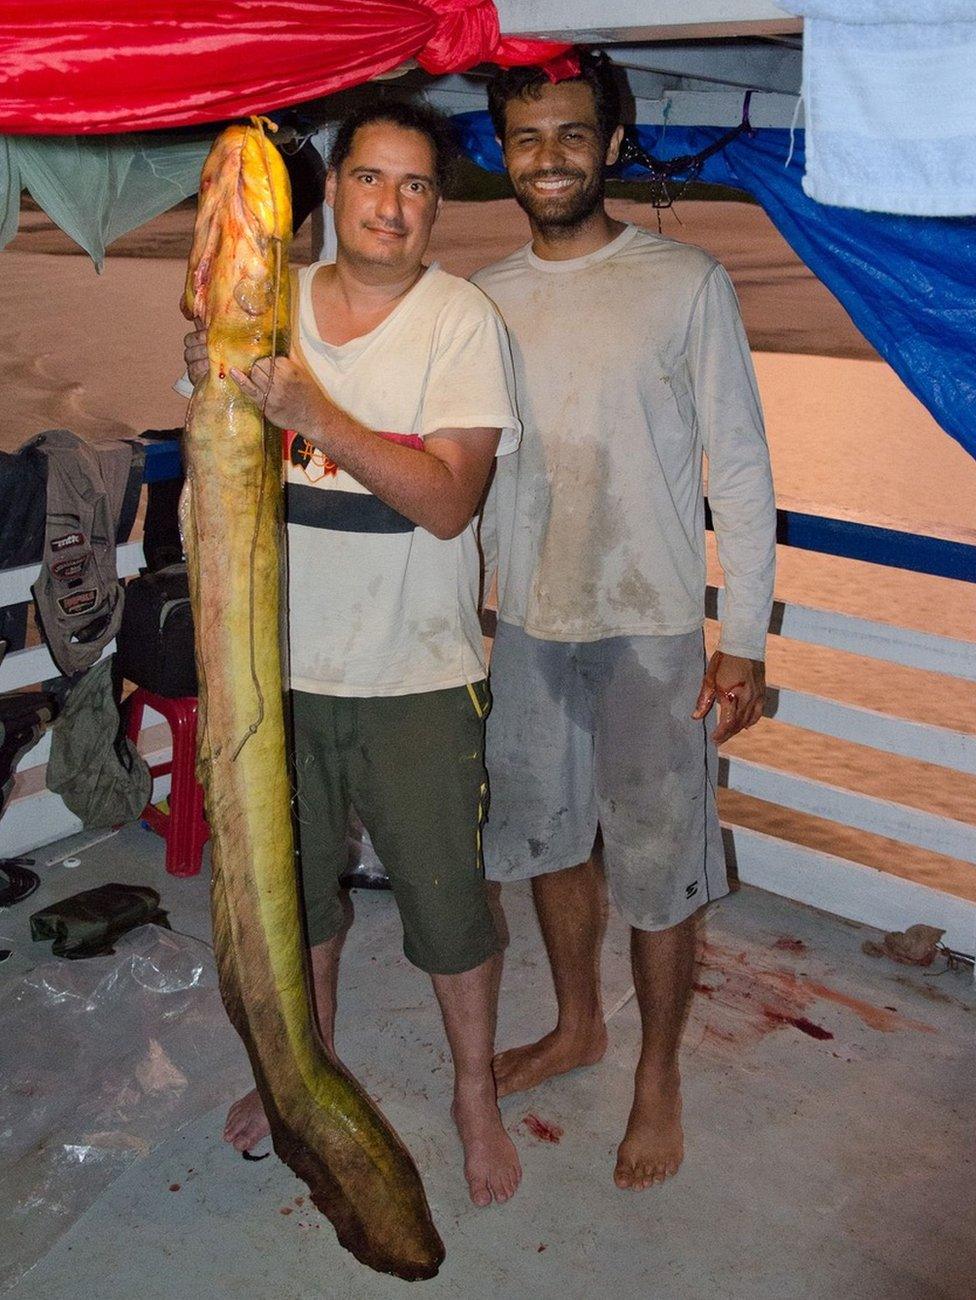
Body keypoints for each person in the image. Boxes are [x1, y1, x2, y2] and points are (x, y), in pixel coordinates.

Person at [183, 102, 522, 1208]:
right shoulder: (266, 305)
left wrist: (311, 410)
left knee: (446, 902)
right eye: (371, 178)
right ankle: (301, 1073)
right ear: (330, 191)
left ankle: (474, 1089)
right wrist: (209, 372)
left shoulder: (460, 320)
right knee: (294, 898)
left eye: (416, 186)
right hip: (272, 672)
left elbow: (448, 499)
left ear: (436, 207)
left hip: (414, 671)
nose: (391, 204)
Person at [473, 53, 776, 1192]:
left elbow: (738, 468)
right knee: (548, 845)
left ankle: (656, 1069)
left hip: (651, 626)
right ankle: (573, 1026)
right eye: (524, 138)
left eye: (569, 135)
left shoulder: (685, 281)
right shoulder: (483, 299)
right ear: (501, 153)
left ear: (609, 143)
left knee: (659, 871)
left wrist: (739, 635)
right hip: (528, 624)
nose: (547, 157)